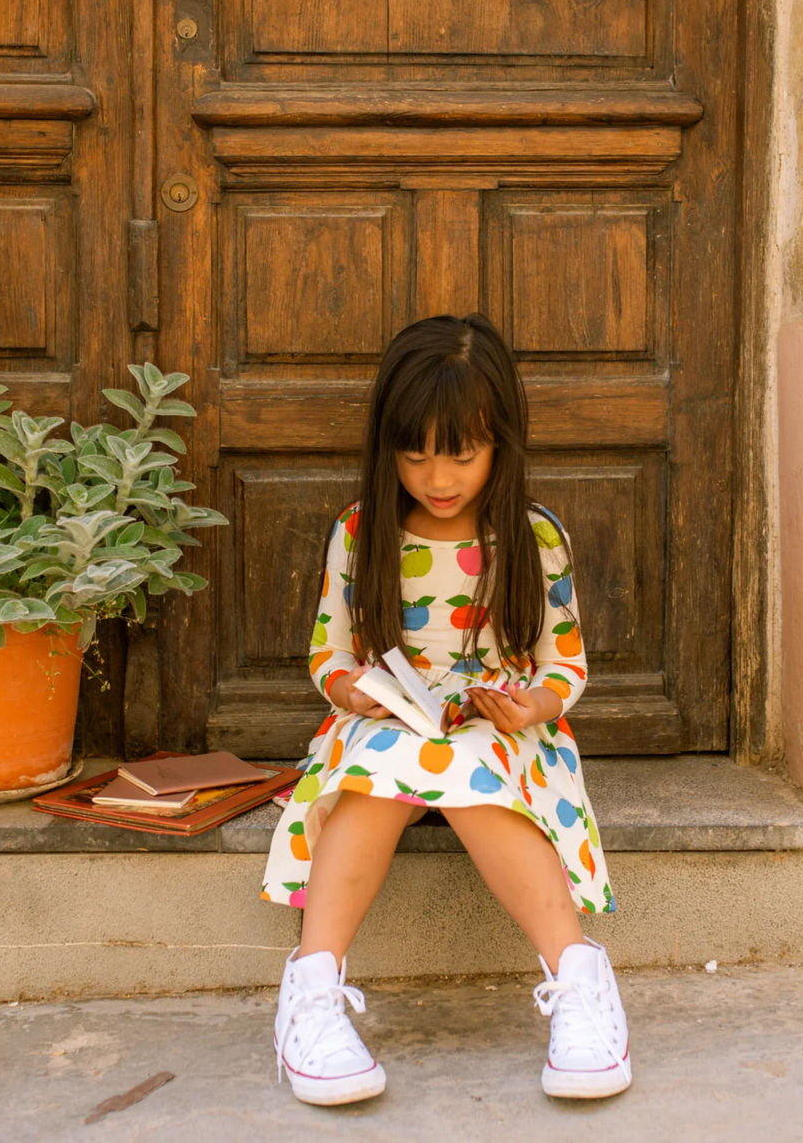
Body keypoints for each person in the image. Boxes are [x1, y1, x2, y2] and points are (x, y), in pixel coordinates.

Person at [262, 314, 630, 1105]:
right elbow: (329, 652)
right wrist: (350, 691)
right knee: (384, 766)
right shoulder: (362, 534)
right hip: (387, 730)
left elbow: (566, 662)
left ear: (502, 441)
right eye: (414, 452)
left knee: (463, 761)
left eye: (461, 452)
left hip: (500, 740)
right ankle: (313, 990)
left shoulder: (533, 537)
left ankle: (578, 979)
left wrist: (530, 705)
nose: (436, 476)